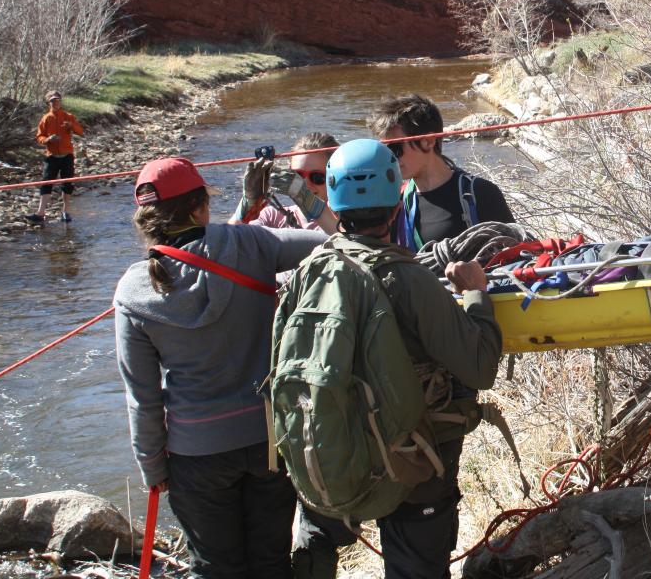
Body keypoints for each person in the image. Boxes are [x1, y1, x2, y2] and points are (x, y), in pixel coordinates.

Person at [287, 139, 502, 579]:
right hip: (415, 458)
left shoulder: (308, 271)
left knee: (316, 548)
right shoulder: (411, 278)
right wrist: (476, 293)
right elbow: (480, 368)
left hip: (334, 447)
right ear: (394, 206)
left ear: (334, 199)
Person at [113, 157, 327, 579]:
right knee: (269, 562)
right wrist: (305, 201)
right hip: (268, 439)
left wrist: (152, 468)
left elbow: (143, 396)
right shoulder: (250, 244)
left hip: (196, 454)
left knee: (215, 567)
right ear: (199, 207)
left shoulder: (133, 291)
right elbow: (330, 243)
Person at [367, 94, 514, 251]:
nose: (390, 158)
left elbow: (516, 256)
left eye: (395, 148)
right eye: (384, 150)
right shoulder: (395, 203)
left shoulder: (480, 194)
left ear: (429, 141)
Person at [230, 132, 340, 235]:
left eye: (317, 177)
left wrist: (314, 207)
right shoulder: (273, 217)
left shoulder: (347, 221)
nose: (305, 185)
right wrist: (247, 206)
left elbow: (349, 245)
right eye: (298, 175)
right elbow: (229, 242)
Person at [27, 90, 83, 224]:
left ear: (60, 101)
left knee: (67, 184)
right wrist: (48, 140)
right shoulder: (46, 118)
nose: (56, 103)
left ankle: (66, 212)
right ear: (48, 103)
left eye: (57, 100)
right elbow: (39, 137)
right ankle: (40, 213)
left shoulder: (68, 116)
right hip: (52, 156)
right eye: (53, 101)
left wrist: (71, 126)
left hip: (67, 156)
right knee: (46, 183)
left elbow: (80, 131)